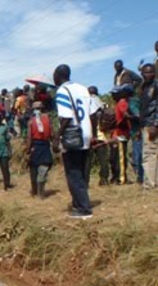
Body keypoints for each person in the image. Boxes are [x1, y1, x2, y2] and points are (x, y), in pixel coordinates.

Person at [53, 64, 99, 219]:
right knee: (83, 171)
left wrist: (57, 136)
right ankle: (79, 202)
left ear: (58, 76)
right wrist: (93, 133)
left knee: (73, 173)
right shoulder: (82, 88)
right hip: (86, 134)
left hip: (72, 136)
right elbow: (93, 114)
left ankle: (83, 209)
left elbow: (65, 117)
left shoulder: (62, 91)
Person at [26, 101, 53, 199]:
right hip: (45, 146)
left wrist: (28, 150)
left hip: (35, 147)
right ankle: (40, 192)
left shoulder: (31, 121)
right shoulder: (48, 120)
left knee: (33, 170)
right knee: (43, 169)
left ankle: (35, 191)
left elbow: (29, 138)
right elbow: (52, 134)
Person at [86, 86, 110, 186]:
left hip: (90, 137)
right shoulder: (103, 104)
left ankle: (85, 181)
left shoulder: (87, 104)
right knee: (103, 160)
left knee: (87, 161)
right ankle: (104, 180)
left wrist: (93, 135)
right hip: (102, 136)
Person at [110, 84, 133, 185]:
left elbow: (125, 116)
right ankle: (116, 177)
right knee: (115, 157)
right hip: (117, 134)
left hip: (121, 134)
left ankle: (121, 178)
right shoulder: (118, 103)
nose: (112, 96)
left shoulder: (122, 103)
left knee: (120, 157)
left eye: (115, 94)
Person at [139, 63, 158, 188]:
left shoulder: (155, 86)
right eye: (145, 72)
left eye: (150, 72)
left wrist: (155, 124)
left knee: (149, 154)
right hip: (146, 123)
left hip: (151, 124)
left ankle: (150, 184)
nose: (147, 75)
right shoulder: (145, 87)